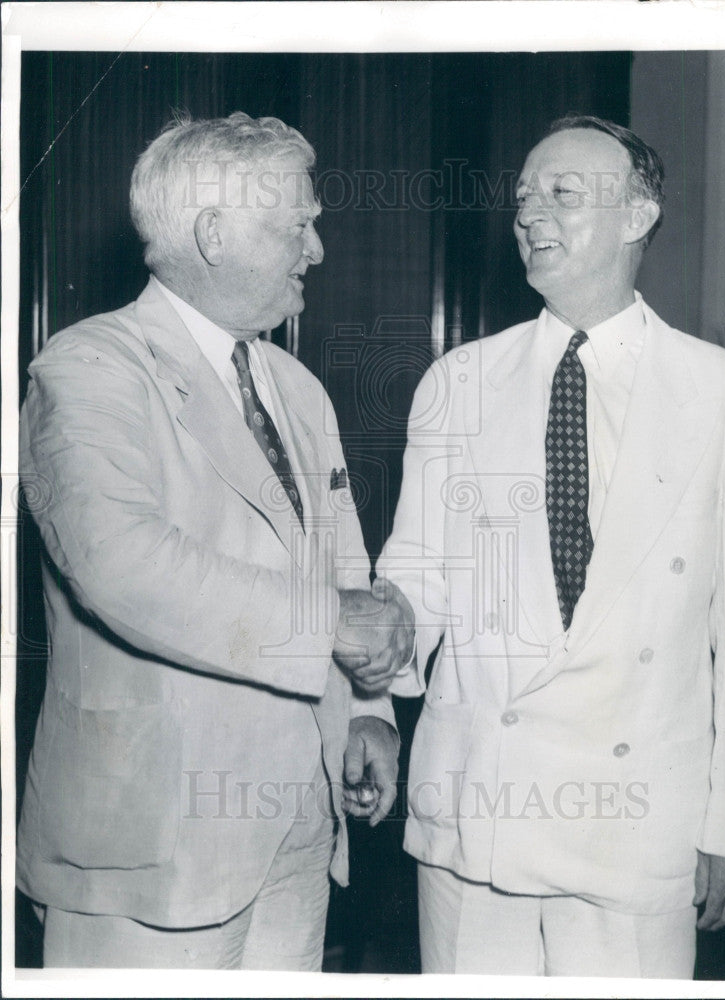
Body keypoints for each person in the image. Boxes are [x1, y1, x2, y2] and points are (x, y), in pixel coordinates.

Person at [375, 115, 725, 978]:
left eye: (562, 194)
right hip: (476, 819)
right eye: (524, 199)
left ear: (638, 216)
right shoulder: (457, 381)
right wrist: (368, 671)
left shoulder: (722, 393)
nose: (530, 215)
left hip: (638, 830)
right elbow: (413, 582)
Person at [16, 111, 413, 970]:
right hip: (151, 852)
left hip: (299, 832)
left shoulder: (299, 389)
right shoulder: (87, 369)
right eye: (300, 225)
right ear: (213, 234)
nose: (316, 251)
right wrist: (334, 628)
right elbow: (119, 565)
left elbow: (340, 565)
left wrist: (369, 713)